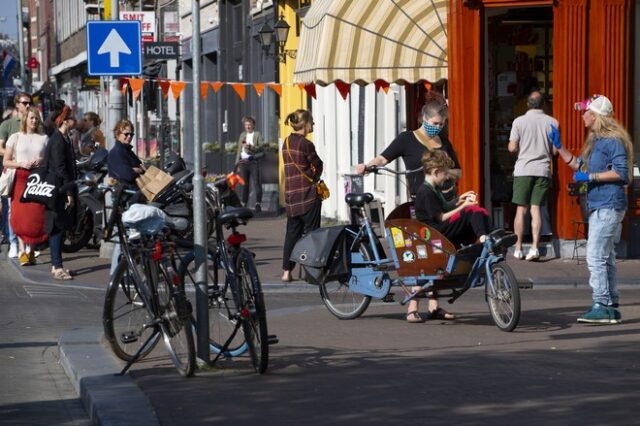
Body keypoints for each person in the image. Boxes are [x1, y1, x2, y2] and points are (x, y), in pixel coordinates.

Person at [553, 94, 633, 324]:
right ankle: (610, 305)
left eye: (586, 111)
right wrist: (559, 147)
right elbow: (579, 164)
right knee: (606, 256)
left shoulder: (613, 141)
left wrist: (591, 177)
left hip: (609, 204)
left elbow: (621, 173)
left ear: (597, 115)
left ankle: (601, 303)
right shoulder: (597, 141)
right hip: (601, 204)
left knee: (595, 255)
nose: (582, 115)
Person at [406, 149, 490, 323]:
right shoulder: (426, 191)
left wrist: (460, 200)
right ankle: (483, 238)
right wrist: (463, 206)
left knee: (478, 211)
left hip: (438, 230)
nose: (447, 178)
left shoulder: (433, 188)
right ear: (436, 172)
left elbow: (444, 207)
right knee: (471, 211)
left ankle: (485, 238)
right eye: (445, 174)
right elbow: (441, 217)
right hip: (433, 234)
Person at [356, 97, 461, 197]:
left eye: (441, 124)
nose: (438, 127)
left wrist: (445, 173)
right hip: (421, 199)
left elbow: (458, 172)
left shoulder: (444, 141)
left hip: (446, 198)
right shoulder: (406, 139)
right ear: (424, 118)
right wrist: (366, 167)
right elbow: (382, 159)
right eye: (435, 123)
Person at [508, 90, 558, 261]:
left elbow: (512, 148)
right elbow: (555, 150)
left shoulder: (518, 121)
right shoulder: (553, 122)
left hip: (523, 169)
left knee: (521, 209)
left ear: (527, 104)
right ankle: (535, 248)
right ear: (544, 104)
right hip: (543, 170)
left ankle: (518, 247)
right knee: (536, 208)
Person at [281, 109, 324, 283]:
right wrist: (316, 175)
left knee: (291, 235)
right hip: (307, 196)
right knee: (311, 235)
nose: (313, 125)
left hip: (291, 198)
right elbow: (317, 164)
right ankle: (310, 273)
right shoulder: (306, 144)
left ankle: (286, 272)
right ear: (305, 124)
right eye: (312, 122)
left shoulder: (286, 142)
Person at [3, 106, 49, 266]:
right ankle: (22, 250)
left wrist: (41, 161)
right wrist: (21, 163)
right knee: (20, 215)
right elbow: (6, 161)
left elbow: (49, 160)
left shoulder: (44, 138)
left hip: (37, 179)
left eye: (36, 118)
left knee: (36, 215)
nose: (34, 121)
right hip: (20, 178)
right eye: (31, 118)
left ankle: (31, 250)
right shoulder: (15, 137)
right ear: (25, 119)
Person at [43, 105, 78, 280]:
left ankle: (57, 264)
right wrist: (69, 192)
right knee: (56, 227)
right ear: (64, 121)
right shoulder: (57, 139)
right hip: (59, 189)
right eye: (72, 117)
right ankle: (56, 267)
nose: (75, 120)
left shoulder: (65, 138)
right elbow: (60, 168)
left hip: (62, 187)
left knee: (61, 226)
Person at [0, 92, 32, 258]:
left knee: (30, 208)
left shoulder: (33, 123)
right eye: (24, 102)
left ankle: (28, 244)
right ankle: (13, 242)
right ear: (17, 104)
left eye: (29, 102)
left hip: (30, 172)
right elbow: (0, 148)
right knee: (12, 210)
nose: (27, 105)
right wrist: (14, 157)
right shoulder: (8, 124)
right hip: (13, 170)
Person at [236, 116, 263, 212]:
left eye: (249, 125)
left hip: (253, 161)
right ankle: (244, 203)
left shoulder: (257, 134)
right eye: (246, 125)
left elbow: (260, 148)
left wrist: (250, 147)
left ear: (253, 125)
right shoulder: (242, 135)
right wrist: (237, 164)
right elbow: (239, 150)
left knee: (256, 183)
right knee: (244, 184)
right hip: (243, 162)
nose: (248, 126)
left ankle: (258, 203)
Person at [107, 119, 145, 186]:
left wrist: (136, 169)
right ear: (118, 134)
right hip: (125, 193)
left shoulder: (128, 151)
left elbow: (142, 168)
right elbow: (128, 175)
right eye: (126, 134)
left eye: (131, 134)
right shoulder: (115, 153)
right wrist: (138, 170)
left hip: (137, 191)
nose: (129, 136)